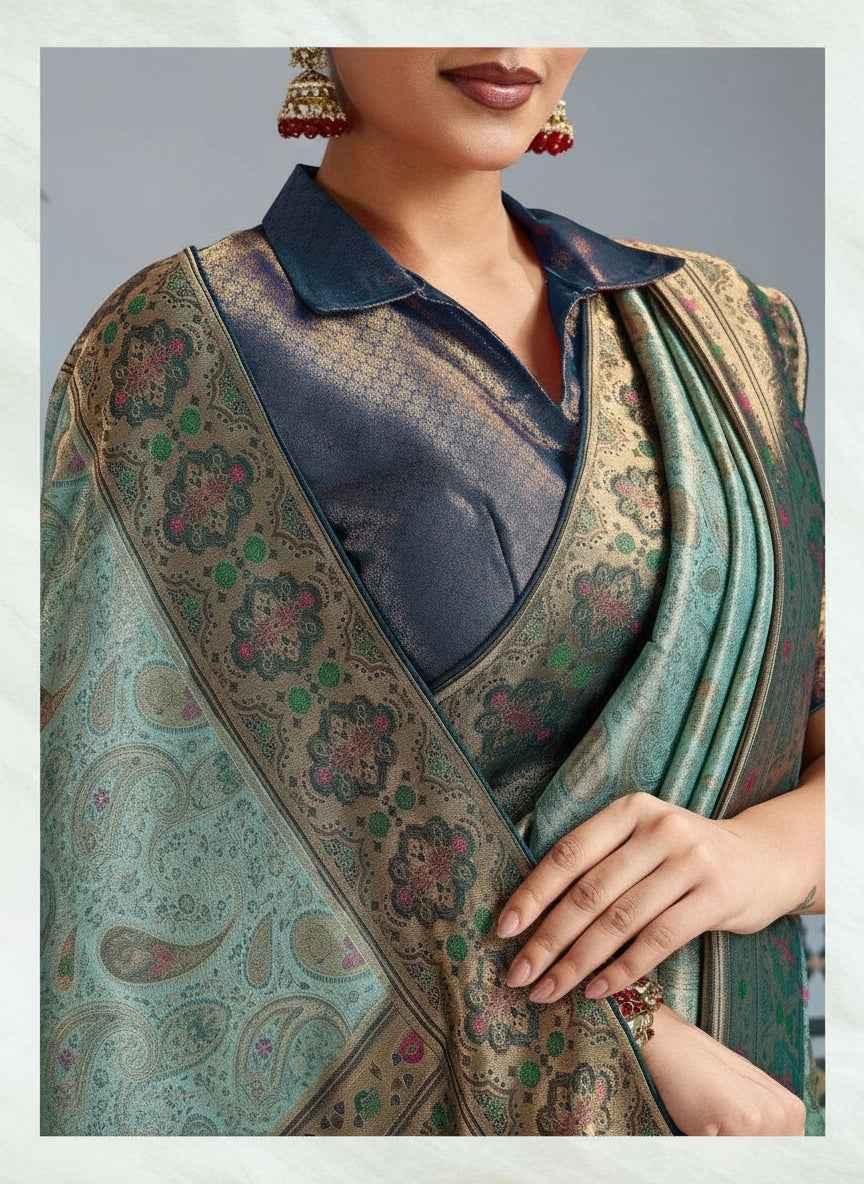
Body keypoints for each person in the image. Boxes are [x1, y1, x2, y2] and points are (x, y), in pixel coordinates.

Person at [40, 47, 825, 1136]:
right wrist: (625, 1033)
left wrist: (766, 853)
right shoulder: (197, 344)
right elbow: (157, 841)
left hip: (764, 1094)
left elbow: (818, 708)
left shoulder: (720, 325)